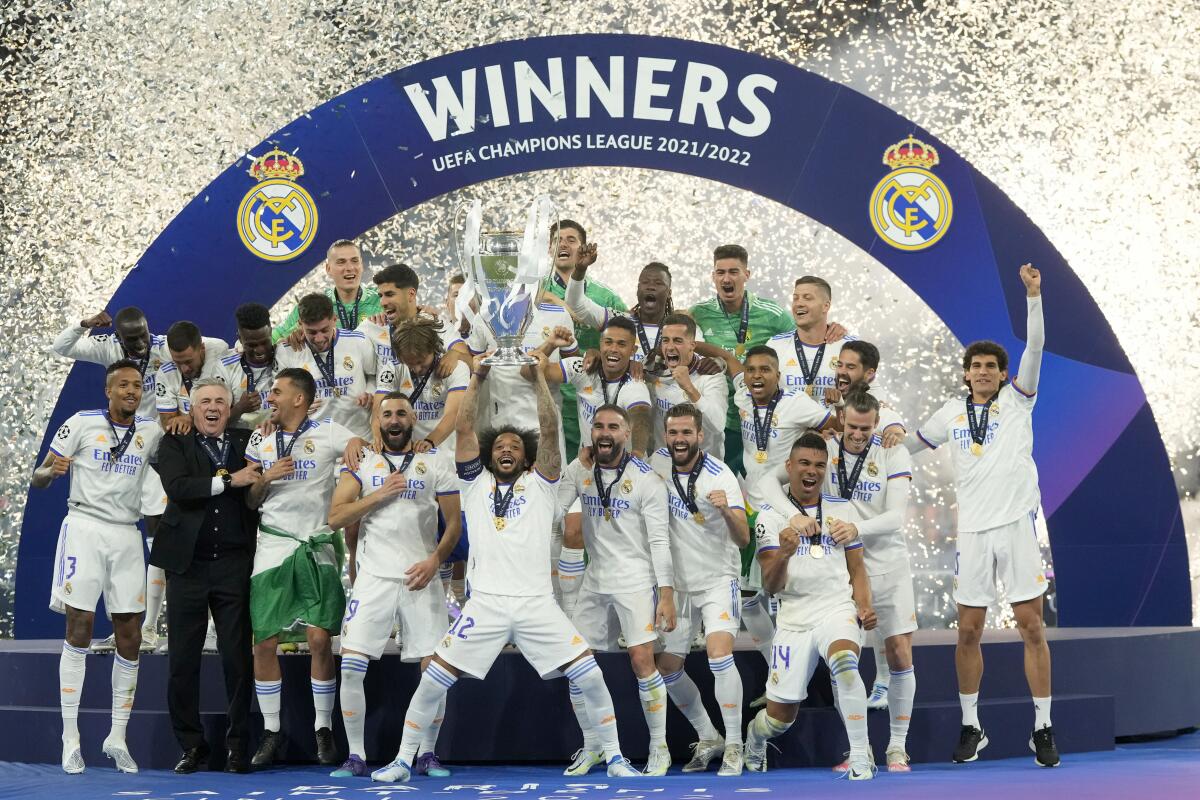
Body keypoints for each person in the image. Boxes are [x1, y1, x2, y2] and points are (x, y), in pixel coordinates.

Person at [371, 350, 639, 782]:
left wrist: (538, 381)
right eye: (499, 446)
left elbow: (549, 431)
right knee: (434, 679)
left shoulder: (543, 486)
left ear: (527, 457)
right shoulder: (472, 484)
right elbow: (462, 428)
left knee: (590, 674)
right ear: (489, 456)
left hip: (536, 604)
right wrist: (476, 378)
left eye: (515, 446)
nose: (507, 450)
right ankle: (403, 760)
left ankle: (615, 757)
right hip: (485, 606)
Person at [908, 264, 1058, 767]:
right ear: (966, 372)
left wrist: (1033, 297)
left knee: (1030, 626)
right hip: (972, 533)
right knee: (967, 631)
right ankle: (972, 726)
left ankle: (1043, 727)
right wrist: (868, 436)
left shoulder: (1019, 401)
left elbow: (1035, 347)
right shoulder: (950, 413)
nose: (983, 373)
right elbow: (908, 445)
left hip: (1015, 527)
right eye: (975, 366)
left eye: (991, 366)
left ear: (1003, 372)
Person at [52, 308, 226, 651]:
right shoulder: (108, 349)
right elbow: (62, 347)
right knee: (155, 542)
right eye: (132, 340)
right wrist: (83, 325)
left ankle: (201, 626)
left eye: (144, 335)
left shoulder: (165, 348)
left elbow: (212, 352)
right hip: (133, 459)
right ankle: (148, 629)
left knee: (180, 538)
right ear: (119, 339)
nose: (141, 343)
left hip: (165, 450)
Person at [32, 359, 164, 774]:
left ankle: (117, 737)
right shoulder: (81, 422)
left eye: (137, 385)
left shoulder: (151, 430)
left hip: (128, 533)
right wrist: (49, 471)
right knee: (80, 628)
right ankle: (70, 738)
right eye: (123, 385)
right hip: (85, 528)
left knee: (129, 633)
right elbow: (38, 477)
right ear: (108, 390)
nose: (131, 391)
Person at [327, 392, 462, 779]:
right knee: (352, 667)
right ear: (379, 421)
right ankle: (355, 756)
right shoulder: (362, 462)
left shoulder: (435, 460)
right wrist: (380, 495)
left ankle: (427, 754)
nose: (395, 419)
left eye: (402, 412)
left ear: (412, 418)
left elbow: (453, 524)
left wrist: (436, 559)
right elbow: (336, 517)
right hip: (373, 579)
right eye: (387, 414)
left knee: (434, 669)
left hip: (421, 577)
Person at [244, 368, 366, 768]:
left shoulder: (328, 430)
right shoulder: (260, 439)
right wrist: (266, 480)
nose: (271, 398)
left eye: (277, 392)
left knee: (318, 639)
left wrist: (355, 446)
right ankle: (272, 730)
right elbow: (249, 501)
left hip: (315, 544)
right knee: (264, 640)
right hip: (274, 545)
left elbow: (360, 444)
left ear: (300, 398)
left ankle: (323, 728)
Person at [744, 432, 877, 780]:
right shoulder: (769, 518)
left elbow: (857, 569)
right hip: (793, 619)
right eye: (804, 463)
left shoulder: (843, 509)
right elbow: (772, 587)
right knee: (778, 720)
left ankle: (862, 758)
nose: (812, 471)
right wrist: (785, 553)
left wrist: (863, 606)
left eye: (819, 465)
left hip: (836, 608)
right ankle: (754, 738)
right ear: (789, 467)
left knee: (846, 665)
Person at [555, 405, 675, 776]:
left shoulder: (647, 480)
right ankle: (592, 745)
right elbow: (556, 509)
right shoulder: (580, 470)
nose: (604, 433)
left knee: (642, 661)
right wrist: (571, 471)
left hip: (635, 580)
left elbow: (659, 541)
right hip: (595, 579)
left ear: (627, 435)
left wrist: (666, 594)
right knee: (577, 664)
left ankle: (660, 748)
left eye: (613, 427)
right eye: (598, 426)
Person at [149, 379, 260, 774]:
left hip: (233, 564)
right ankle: (192, 746)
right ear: (191, 410)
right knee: (182, 660)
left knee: (237, 659)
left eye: (219, 402)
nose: (212, 408)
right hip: (187, 566)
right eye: (204, 402)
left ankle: (238, 746)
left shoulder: (250, 440)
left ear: (229, 410)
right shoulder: (174, 442)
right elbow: (179, 488)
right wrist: (231, 479)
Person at [649, 404, 750, 777]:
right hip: (677, 586)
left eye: (686, 433)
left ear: (700, 436)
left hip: (716, 580)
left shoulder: (719, 474)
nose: (679, 440)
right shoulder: (657, 464)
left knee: (718, 656)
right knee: (668, 668)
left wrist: (727, 511)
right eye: (673, 433)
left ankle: (736, 745)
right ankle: (709, 736)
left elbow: (743, 539)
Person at [688, 244, 795, 474]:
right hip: (720, 420)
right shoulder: (698, 312)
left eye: (734, 272)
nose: (727, 278)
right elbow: (673, 334)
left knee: (761, 490)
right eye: (721, 272)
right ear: (713, 276)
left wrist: (831, 329)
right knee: (716, 491)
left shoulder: (772, 314)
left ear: (747, 274)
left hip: (761, 419)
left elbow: (805, 338)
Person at [539, 219, 628, 457]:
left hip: (592, 394)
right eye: (557, 240)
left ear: (583, 248)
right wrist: (557, 302)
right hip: (549, 391)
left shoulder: (605, 296)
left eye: (571, 240)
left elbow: (630, 332)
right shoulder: (534, 287)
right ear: (549, 248)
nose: (563, 245)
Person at [537, 318, 653, 455]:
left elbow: (641, 416)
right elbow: (529, 371)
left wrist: (636, 456)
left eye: (621, 344)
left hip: (623, 468)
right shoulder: (584, 368)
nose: (613, 349)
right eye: (608, 342)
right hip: (588, 464)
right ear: (600, 343)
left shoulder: (635, 382)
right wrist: (550, 344)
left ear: (633, 350)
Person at [276, 292, 378, 437]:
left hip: (360, 437)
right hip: (313, 443)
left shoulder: (359, 341)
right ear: (300, 324)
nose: (319, 338)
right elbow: (278, 396)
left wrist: (370, 392)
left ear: (334, 319)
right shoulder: (288, 351)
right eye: (311, 332)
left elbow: (374, 375)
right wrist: (295, 405)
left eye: (324, 330)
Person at [648, 313, 728, 460]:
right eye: (666, 340)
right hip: (664, 465)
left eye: (678, 341)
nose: (670, 347)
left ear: (692, 346)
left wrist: (689, 388)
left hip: (704, 468)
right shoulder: (654, 369)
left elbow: (718, 425)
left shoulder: (711, 376)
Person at [564, 260, 675, 364]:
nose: (650, 287)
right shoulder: (617, 321)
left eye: (658, 283)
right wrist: (579, 270)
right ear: (637, 289)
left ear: (669, 293)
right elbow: (576, 305)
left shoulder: (679, 330)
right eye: (645, 282)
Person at [273, 239, 381, 342]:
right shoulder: (313, 306)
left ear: (361, 266)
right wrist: (288, 339)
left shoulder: (380, 301)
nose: (349, 267)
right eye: (341, 262)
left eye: (355, 261)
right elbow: (272, 339)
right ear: (328, 269)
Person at [766, 276, 854, 404]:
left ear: (826, 306)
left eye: (807, 298)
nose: (798, 303)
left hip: (836, 423)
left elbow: (872, 393)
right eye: (795, 298)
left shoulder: (849, 346)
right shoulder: (775, 345)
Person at [156, 321, 231, 435]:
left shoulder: (221, 359)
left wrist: (191, 419)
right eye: (178, 362)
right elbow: (167, 423)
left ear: (202, 348)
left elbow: (227, 409)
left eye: (189, 361)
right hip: (186, 439)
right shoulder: (166, 372)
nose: (184, 369)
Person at [217, 303, 278, 431]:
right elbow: (216, 423)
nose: (260, 350)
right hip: (240, 440)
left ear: (271, 331)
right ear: (240, 338)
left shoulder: (284, 355)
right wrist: (240, 408)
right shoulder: (225, 367)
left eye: (264, 342)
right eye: (252, 345)